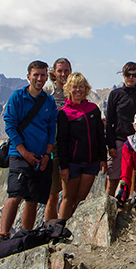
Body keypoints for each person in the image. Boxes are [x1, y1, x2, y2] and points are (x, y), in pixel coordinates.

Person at [0, 60, 58, 240]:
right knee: (15, 195)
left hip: (41, 157)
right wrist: (24, 153)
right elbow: (10, 125)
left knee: (33, 199)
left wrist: (47, 155)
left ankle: (26, 234)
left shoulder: (48, 101)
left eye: (42, 75)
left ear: (47, 77)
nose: (39, 79)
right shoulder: (17, 97)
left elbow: (51, 130)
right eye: (36, 75)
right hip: (19, 155)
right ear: (28, 76)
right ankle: (3, 235)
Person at [56, 72, 107, 221]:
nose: (78, 90)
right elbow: (62, 141)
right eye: (74, 87)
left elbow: (99, 136)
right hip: (72, 164)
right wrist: (63, 166)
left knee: (81, 199)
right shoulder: (64, 113)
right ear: (68, 89)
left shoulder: (93, 109)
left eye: (81, 87)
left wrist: (102, 158)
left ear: (86, 89)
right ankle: (61, 229)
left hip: (91, 163)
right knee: (68, 198)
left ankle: (74, 229)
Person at [105, 62, 136, 195]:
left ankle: (127, 209)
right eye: (128, 74)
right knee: (113, 178)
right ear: (123, 75)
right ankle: (107, 207)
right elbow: (109, 121)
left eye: (134, 75)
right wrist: (111, 145)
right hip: (120, 140)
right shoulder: (115, 94)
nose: (131, 78)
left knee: (133, 179)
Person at [43, 57, 72, 222]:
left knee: (68, 194)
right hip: (52, 147)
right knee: (53, 195)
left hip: (69, 146)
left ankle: (64, 227)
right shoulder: (47, 91)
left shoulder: (73, 90)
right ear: (53, 72)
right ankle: (49, 229)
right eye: (60, 71)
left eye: (66, 70)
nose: (63, 74)